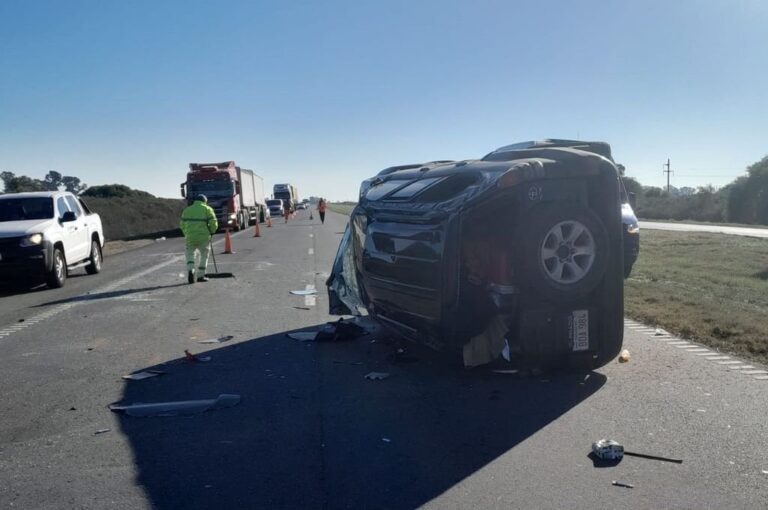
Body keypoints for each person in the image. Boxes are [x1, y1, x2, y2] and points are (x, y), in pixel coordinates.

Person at [180, 194, 218, 284]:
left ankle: (191, 270)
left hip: (190, 237)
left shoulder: (187, 210)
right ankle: (201, 276)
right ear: (205, 201)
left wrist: (186, 233)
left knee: (190, 254)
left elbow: (182, 225)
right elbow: (214, 223)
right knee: (204, 255)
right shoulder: (207, 209)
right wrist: (212, 231)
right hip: (203, 237)